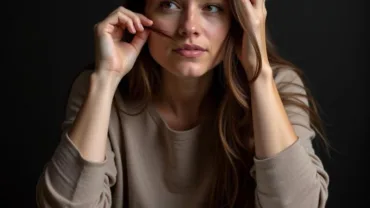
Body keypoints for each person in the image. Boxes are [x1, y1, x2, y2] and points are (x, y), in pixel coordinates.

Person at [36, 0, 330, 207]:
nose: (189, 27)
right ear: (140, 14)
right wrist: (105, 81)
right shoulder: (100, 89)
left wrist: (258, 74)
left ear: (237, 21)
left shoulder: (276, 85)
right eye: (170, 4)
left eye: (212, 8)